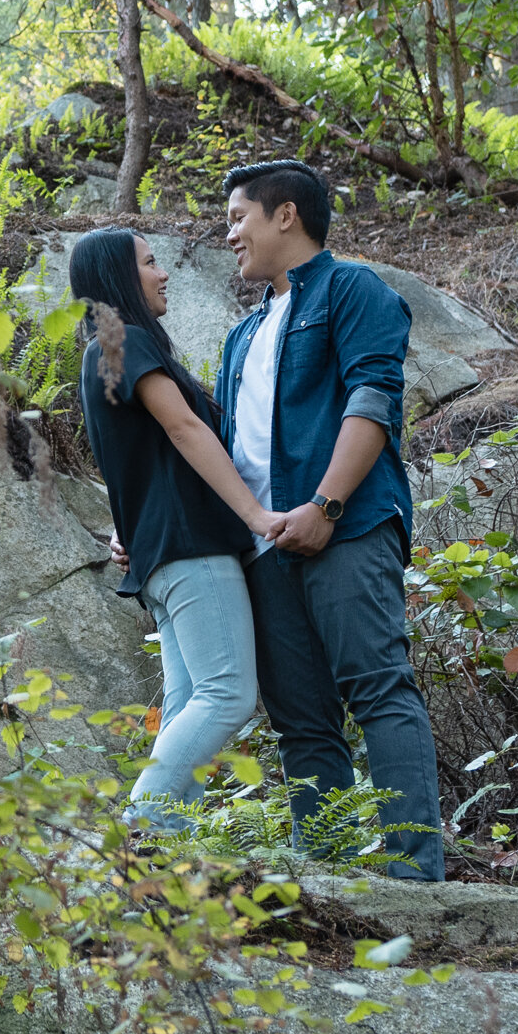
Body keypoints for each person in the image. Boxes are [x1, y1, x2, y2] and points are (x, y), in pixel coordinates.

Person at [215, 160, 446, 882]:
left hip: (345, 529)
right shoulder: (240, 337)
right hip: (263, 550)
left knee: (379, 686)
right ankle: (332, 880)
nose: (230, 235)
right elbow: (224, 452)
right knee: (303, 724)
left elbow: (373, 398)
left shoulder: (353, 291)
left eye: (237, 218)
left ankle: (414, 875)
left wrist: (325, 505)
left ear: (286, 214)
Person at [68, 228, 281, 831]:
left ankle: (167, 851)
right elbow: (186, 432)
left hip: (162, 555)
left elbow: (133, 455)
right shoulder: (123, 340)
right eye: (151, 262)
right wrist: (257, 515)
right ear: (117, 278)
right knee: (228, 694)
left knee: (192, 701)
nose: (163, 274)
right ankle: (139, 835)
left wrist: (127, 524)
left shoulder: (108, 352)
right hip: (191, 549)